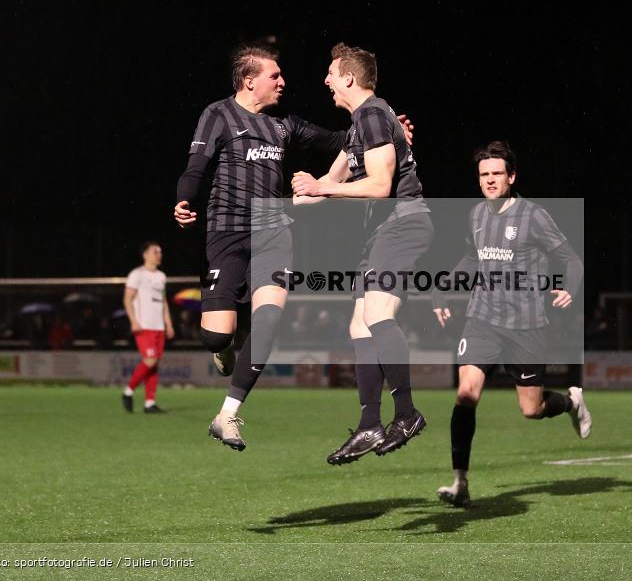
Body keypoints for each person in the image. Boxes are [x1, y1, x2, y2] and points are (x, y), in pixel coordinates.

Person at [174, 42, 413, 451]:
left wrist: (389, 133)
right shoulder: (218, 115)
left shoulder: (284, 123)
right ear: (250, 81)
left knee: (269, 322)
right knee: (217, 337)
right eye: (275, 76)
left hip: (273, 232)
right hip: (227, 233)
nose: (283, 82)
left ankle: (227, 414)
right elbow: (196, 166)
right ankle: (224, 350)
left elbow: (339, 138)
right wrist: (183, 199)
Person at [292, 43, 433, 464]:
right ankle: (371, 422)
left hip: (403, 223)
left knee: (377, 315)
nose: (326, 80)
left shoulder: (372, 114)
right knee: (359, 324)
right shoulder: (359, 125)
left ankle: (406, 413)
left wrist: (323, 188)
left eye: (331, 73)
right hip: (380, 233)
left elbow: (379, 187)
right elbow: (323, 186)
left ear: (349, 78)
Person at [429, 141, 587, 508]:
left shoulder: (533, 216)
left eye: (496, 173)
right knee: (466, 392)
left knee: (531, 409)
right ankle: (460, 482)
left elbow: (570, 259)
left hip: (526, 325)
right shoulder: (477, 215)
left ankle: (571, 403)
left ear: (511, 177)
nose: (489, 180)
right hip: (482, 318)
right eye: (483, 174)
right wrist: (440, 290)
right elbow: (473, 259)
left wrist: (571, 290)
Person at [122, 241, 174, 413]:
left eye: (160, 251)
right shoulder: (137, 274)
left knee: (154, 364)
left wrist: (168, 324)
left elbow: (164, 302)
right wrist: (133, 321)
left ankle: (149, 403)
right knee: (149, 360)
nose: (159, 254)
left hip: (159, 326)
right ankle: (128, 391)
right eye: (155, 251)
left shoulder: (161, 276)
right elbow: (128, 299)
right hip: (144, 326)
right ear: (145, 254)